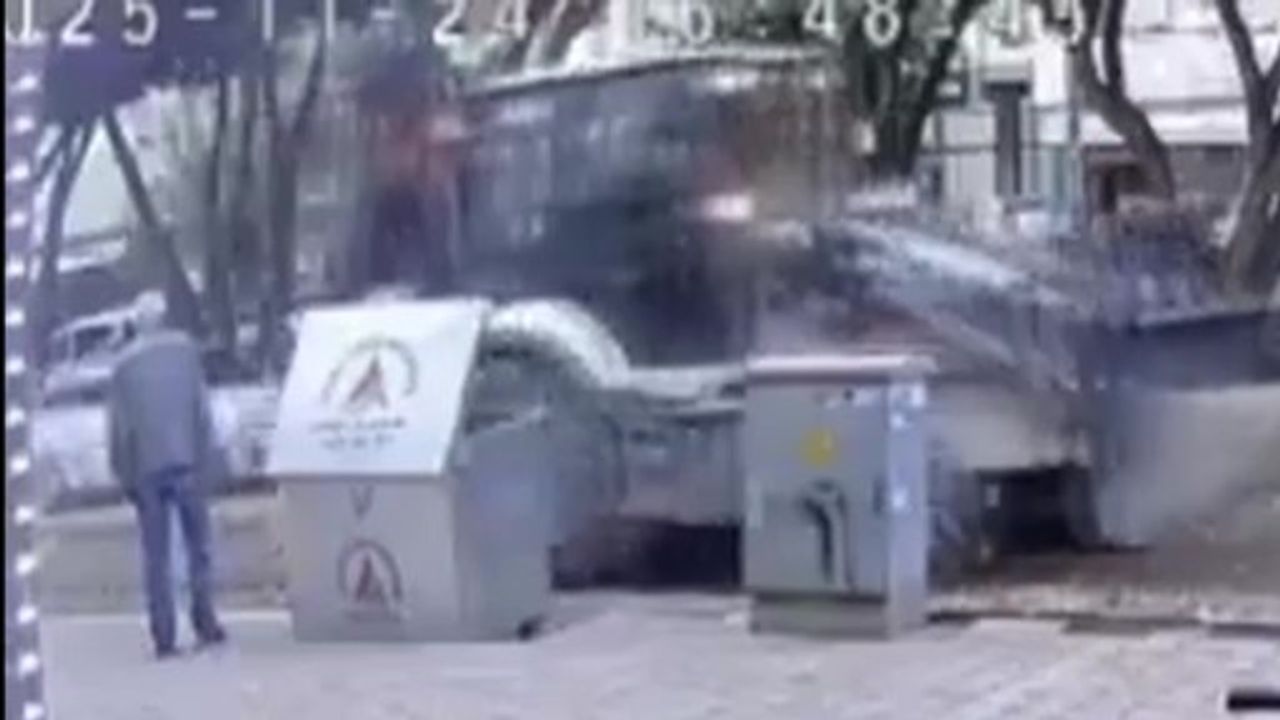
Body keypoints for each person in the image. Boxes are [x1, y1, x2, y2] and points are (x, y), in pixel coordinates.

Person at [107, 291, 227, 659]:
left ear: (137, 323)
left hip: (147, 467)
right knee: (198, 546)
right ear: (164, 317)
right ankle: (205, 619)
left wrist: (123, 474)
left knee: (156, 556)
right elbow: (201, 409)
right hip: (187, 459)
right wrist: (208, 456)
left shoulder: (123, 366)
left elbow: (119, 428)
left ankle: (164, 634)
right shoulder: (185, 351)